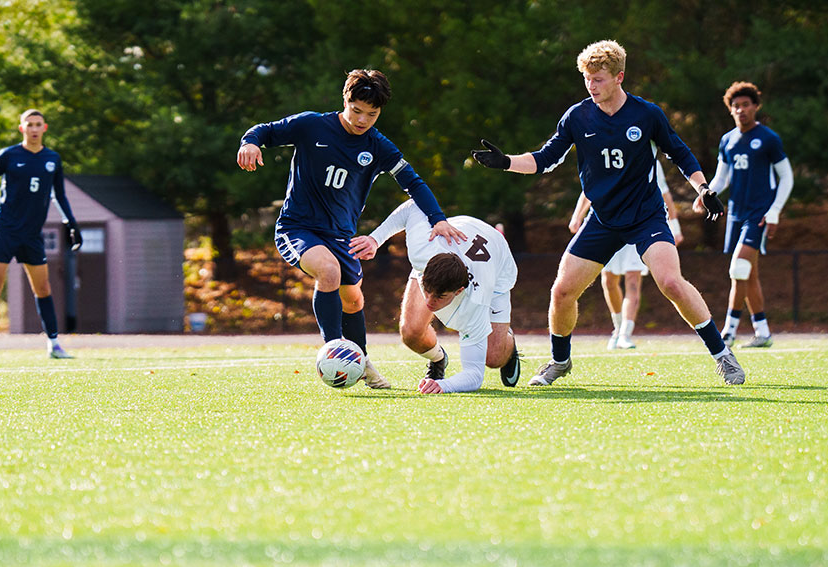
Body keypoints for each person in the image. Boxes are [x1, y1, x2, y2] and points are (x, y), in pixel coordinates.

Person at [472, 39, 745, 386]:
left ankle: (723, 356)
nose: (591, 85)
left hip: (646, 216)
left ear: (619, 77)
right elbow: (544, 159)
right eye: (587, 78)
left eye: (598, 79)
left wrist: (703, 189)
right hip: (602, 219)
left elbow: (680, 154)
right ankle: (559, 361)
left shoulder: (647, 114)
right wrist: (506, 162)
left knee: (672, 283)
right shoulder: (578, 116)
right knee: (561, 292)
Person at [237, 69, 465, 389]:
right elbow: (264, 131)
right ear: (345, 101)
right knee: (328, 272)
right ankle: (335, 351)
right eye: (356, 110)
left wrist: (438, 218)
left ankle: (362, 359)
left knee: (354, 302)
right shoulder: (312, 125)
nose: (362, 120)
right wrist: (250, 143)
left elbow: (413, 182)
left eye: (371, 114)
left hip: (340, 236)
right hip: (298, 227)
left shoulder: (379, 146)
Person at [350, 200, 519, 393]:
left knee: (493, 357)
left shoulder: (476, 302)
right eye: (427, 290)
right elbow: (413, 205)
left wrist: (443, 386)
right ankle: (439, 359)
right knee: (411, 332)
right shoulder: (422, 252)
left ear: (458, 291)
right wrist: (375, 239)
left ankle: (508, 338)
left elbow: (474, 376)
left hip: (497, 262)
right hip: (455, 235)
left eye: (439, 297)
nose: (429, 302)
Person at [0, 109, 82, 361]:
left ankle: (54, 344)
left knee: (43, 287)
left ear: (45, 128)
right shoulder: (8, 155)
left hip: (32, 234)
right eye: (29, 124)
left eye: (38, 124)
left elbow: (59, 195)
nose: (33, 128)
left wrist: (71, 222)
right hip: (5, 230)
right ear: (21, 128)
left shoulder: (52, 158)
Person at [693, 81, 793, 348]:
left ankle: (728, 331)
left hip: (759, 214)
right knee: (747, 274)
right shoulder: (728, 140)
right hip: (736, 214)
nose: (741, 110)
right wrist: (706, 194)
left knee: (739, 268)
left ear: (756, 106)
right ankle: (763, 332)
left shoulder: (769, 138)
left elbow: (787, 177)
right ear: (731, 110)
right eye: (736, 106)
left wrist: (774, 212)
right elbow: (722, 177)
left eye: (746, 105)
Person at [569, 159, 683, 349]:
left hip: (638, 225)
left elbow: (664, 193)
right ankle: (618, 327)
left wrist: (675, 228)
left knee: (632, 280)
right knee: (609, 280)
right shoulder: (604, 153)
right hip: (609, 226)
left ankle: (625, 334)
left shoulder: (649, 158)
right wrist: (577, 216)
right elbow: (590, 188)